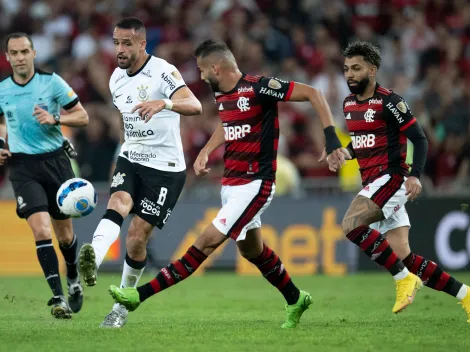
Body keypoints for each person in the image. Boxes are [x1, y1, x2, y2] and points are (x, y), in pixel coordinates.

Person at [108, 39, 345, 329]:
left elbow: (313, 93)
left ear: (216, 67)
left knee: (205, 242)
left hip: (256, 183)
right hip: (231, 183)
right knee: (251, 250)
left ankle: (138, 296)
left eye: (202, 70)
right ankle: (296, 299)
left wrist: (331, 138)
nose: (201, 76)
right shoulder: (222, 94)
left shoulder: (260, 87)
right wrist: (207, 150)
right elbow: (228, 123)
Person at [321, 40, 470, 320]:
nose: (350, 74)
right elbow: (363, 143)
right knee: (405, 257)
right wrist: (344, 152)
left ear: (373, 70)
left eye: (356, 68)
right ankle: (466, 295)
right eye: (346, 69)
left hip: (392, 178)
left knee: (352, 224)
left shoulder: (391, 101)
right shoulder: (348, 104)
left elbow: (420, 139)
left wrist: (415, 176)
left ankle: (402, 279)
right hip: (374, 183)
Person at [77, 17, 202, 328]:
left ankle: (121, 307)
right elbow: (124, 123)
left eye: (127, 43)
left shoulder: (162, 71)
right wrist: (120, 154)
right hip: (132, 156)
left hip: (165, 168)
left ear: (142, 44)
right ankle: (93, 256)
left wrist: (165, 103)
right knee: (117, 202)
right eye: (116, 42)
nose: (119, 49)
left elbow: (195, 104)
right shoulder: (115, 79)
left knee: (136, 238)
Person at [0, 32, 88, 318]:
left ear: (34, 53)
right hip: (23, 167)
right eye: (14, 53)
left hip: (56, 162)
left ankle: (73, 277)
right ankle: (58, 297)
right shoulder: (2, 90)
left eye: (25, 51)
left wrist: (57, 119)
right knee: (41, 230)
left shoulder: (52, 82)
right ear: (8, 57)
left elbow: (83, 117)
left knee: (65, 236)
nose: (20, 57)